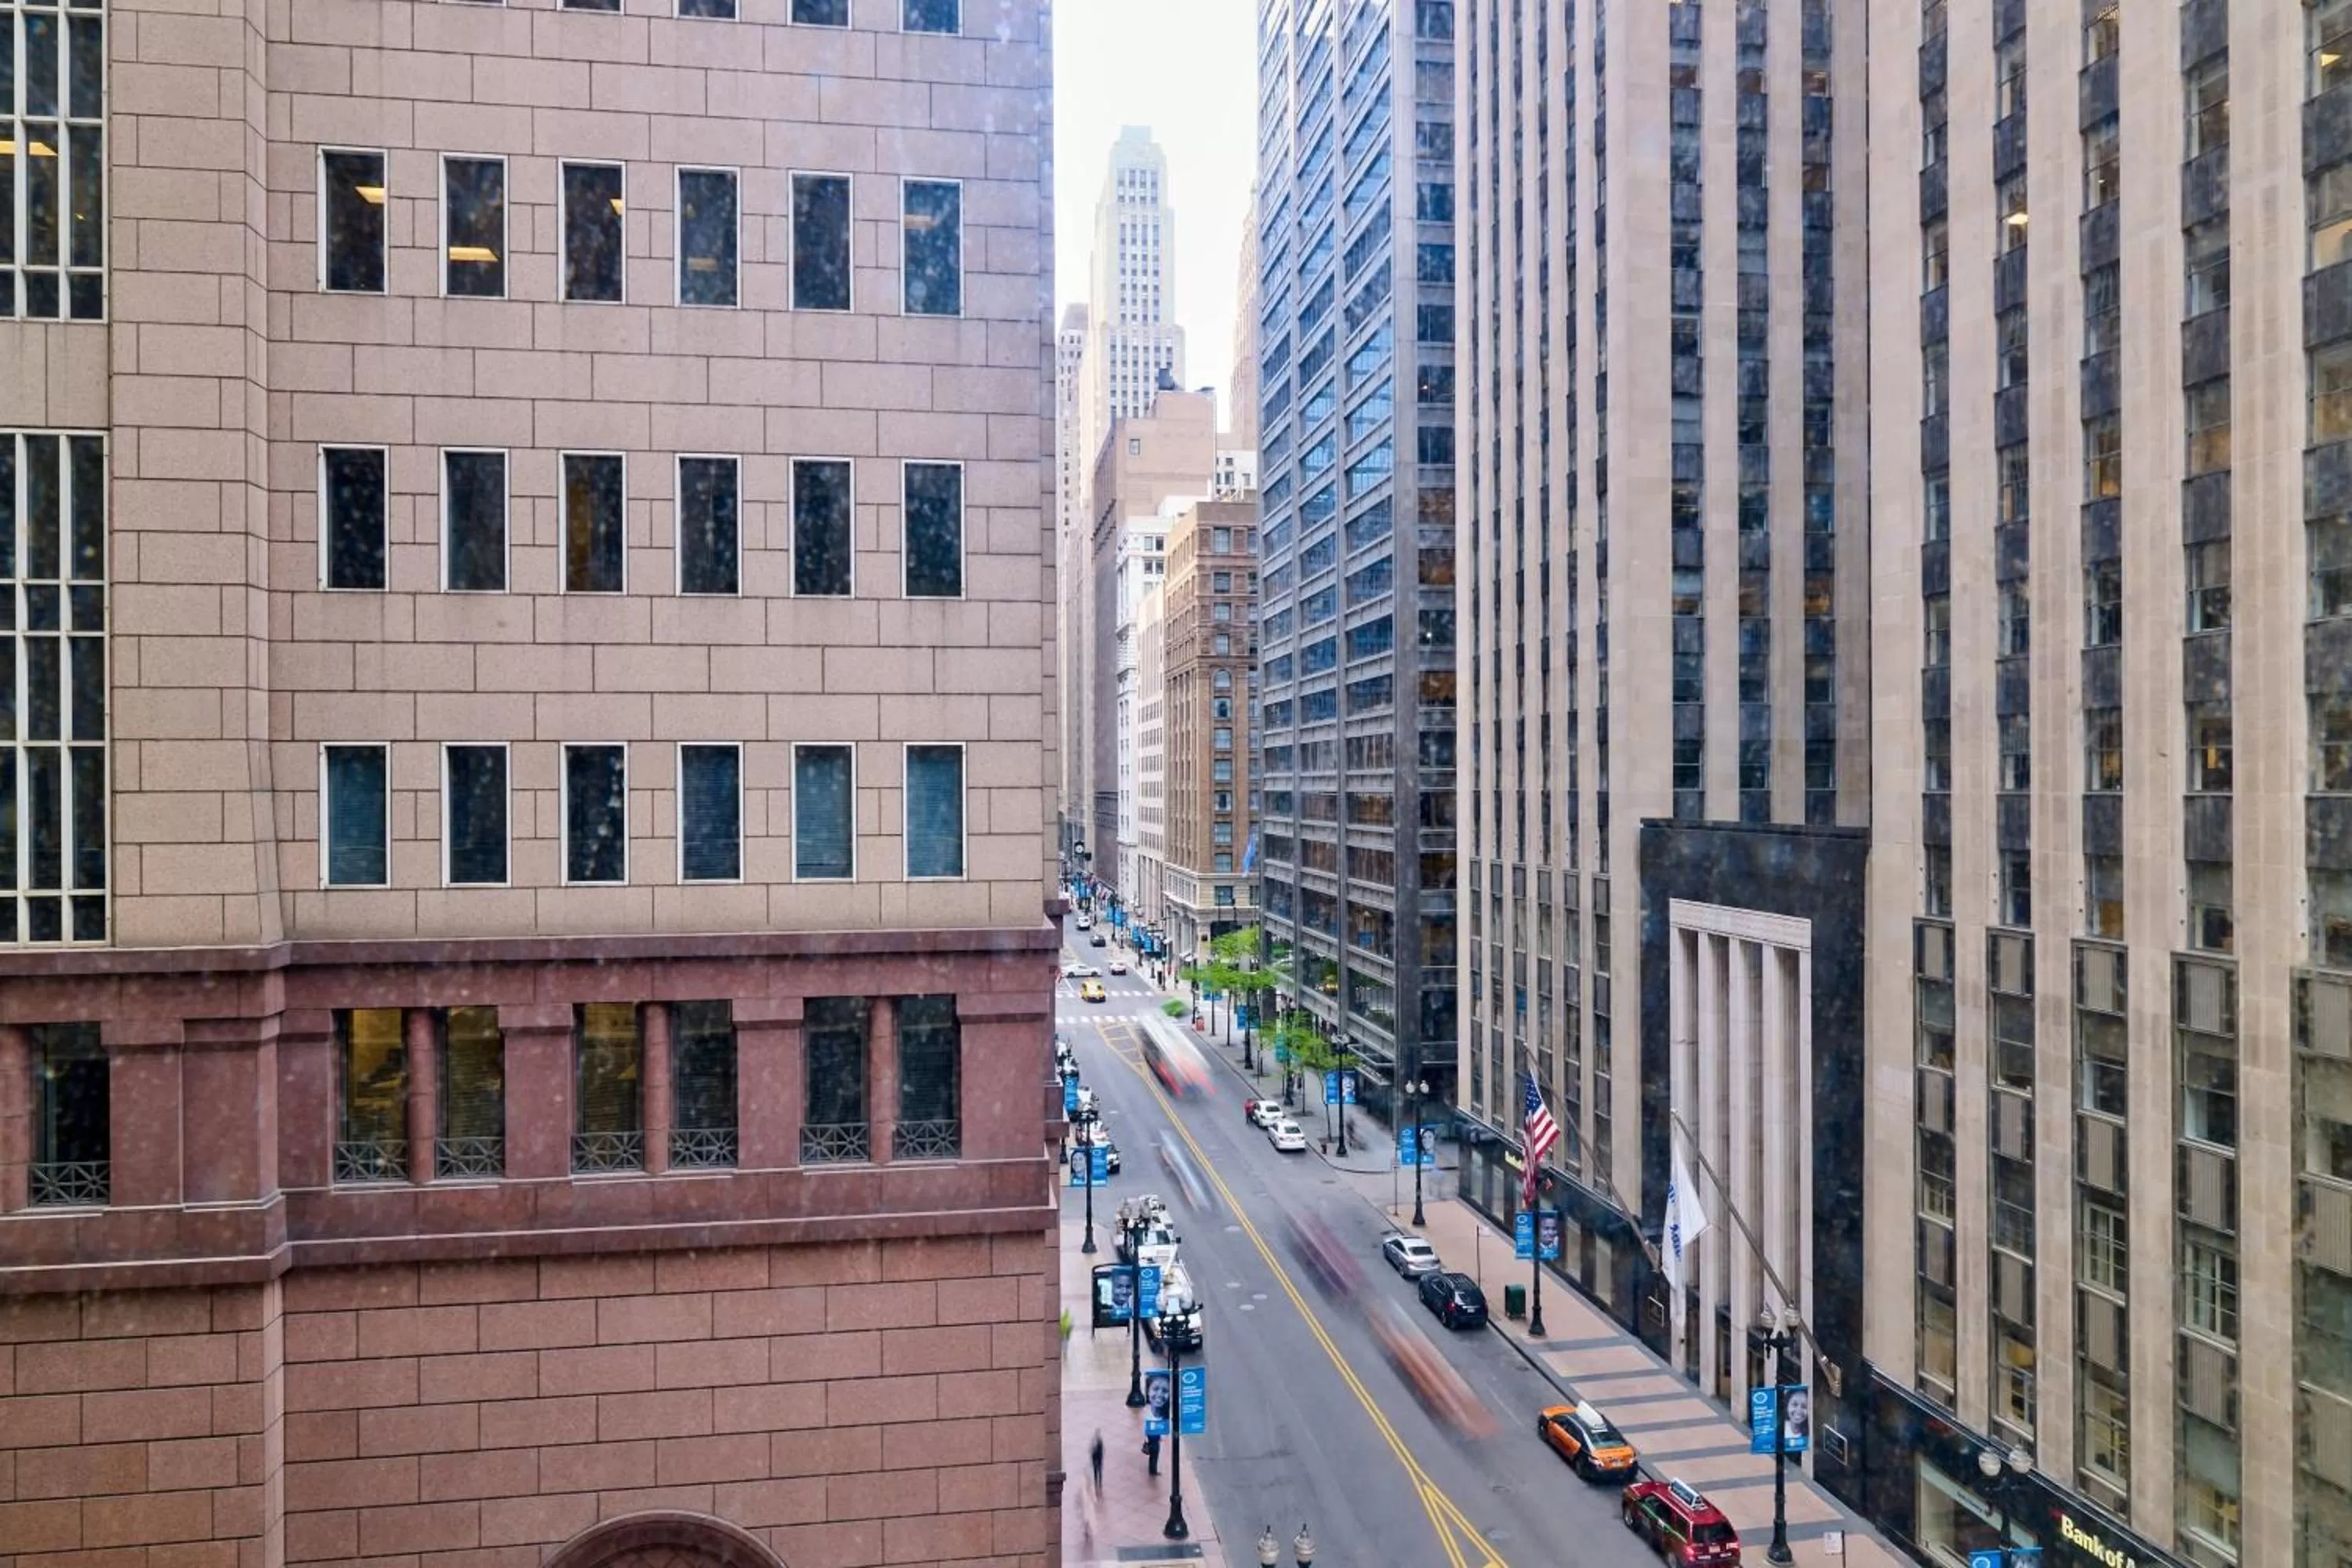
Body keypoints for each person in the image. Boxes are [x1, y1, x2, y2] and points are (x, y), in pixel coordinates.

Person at [1089, 1429, 1105, 1494]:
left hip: (1097, 1459)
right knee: (1098, 1471)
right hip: (1098, 1459)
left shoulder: (1097, 1443)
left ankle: (1098, 1482)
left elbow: (1092, 1452)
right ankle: (1098, 1482)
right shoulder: (1099, 1442)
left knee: (1097, 1471)